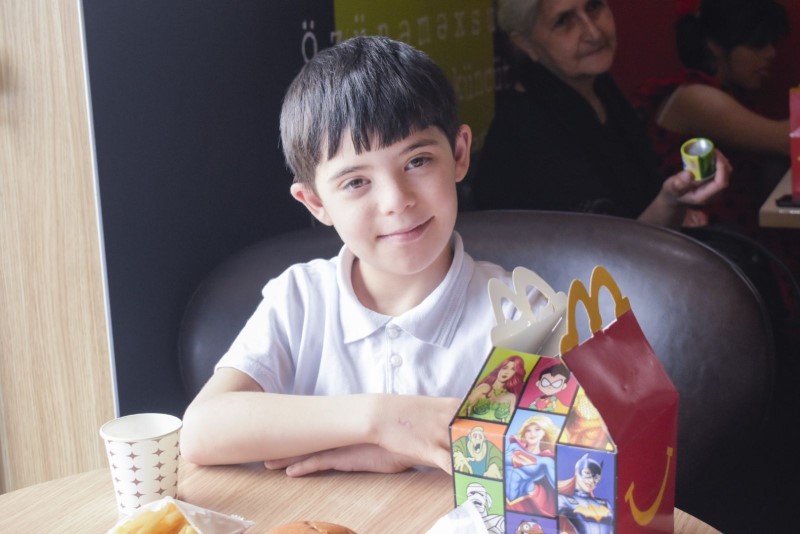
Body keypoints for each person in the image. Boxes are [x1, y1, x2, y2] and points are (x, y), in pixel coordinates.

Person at [179, 35, 552, 478]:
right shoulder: (301, 298)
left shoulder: (521, 313)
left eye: (417, 161)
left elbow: (550, 462)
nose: (396, 200)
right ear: (316, 203)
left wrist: (401, 453)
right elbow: (201, 431)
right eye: (356, 182)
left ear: (458, 153)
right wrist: (382, 420)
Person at [471, 0, 731, 231]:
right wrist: (671, 203)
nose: (593, 32)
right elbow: (608, 255)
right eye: (563, 21)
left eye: (594, 6)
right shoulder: (525, 131)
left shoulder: (600, 87)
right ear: (526, 44)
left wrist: (680, 203)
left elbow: (640, 206)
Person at [633, 0, 791, 230]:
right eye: (757, 44)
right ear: (715, 45)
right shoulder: (695, 97)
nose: (771, 53)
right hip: (706, 237)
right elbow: (789, 140)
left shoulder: (722, 92)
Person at [505, 414, 559, 516]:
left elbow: (558, 487)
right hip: (503, 498)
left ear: (544, 432)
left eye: (537, 430)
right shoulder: (514, 446)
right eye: (528, 430)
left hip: (522, 503)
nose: (532, 434)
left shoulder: (545, 461)